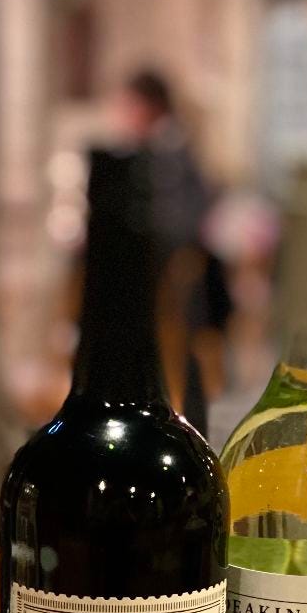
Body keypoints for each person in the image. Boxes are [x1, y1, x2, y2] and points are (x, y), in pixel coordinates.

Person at [108, 70, 231, 432]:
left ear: (150, 106)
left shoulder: (168, 152)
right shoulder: (166, 147)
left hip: (172, 285)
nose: (124, 115)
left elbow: (179, 220)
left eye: (129, 105)